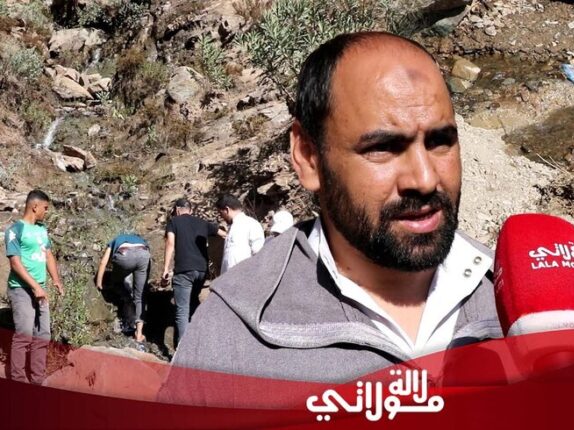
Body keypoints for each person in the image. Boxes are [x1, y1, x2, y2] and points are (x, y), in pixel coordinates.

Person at [161, 32, 500, 403]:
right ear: (309, 157)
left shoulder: (515, 299)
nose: (424, 179)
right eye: (383, 148)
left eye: (440, 141)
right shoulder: (231, 338)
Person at [4, 189, 64, 384]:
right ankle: (19, 381)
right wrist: (35, 287)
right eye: (45, 208)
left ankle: (37, 381)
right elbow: (15, 263)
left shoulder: (41, 229)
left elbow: (48, 255)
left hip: (41, 289)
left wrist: (56, 280)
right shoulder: (15, 230)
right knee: (24, 335)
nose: (46, 211)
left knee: (43, 335)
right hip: (20, 289)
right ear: (34, 206)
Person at [161, 198, 224, 347]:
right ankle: (200, 343)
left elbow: (170, 243)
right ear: (190, 210)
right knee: (194, 303)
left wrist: (165, 269)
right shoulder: (202, 223)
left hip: (184, 270)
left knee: (182, 311)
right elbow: (224, 234)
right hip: (202, 271)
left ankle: (183, 350)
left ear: (177, 210)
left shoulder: (174, 222)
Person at [95, 232, 151, 343]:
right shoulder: (141, 240)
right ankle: (139, 334)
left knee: (116, 281)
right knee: (139, 297)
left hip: (125, 255)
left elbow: (103, 263)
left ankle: (126, 298)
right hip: (143, 254)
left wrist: (99, 282)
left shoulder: (115, 240)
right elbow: (148, 261)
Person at [215, 194, 265, 274]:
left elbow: (258, 252)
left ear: (227, 209)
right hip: (228, 278)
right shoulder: (232, 227)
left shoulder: (251, 224)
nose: (221, 217)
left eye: (221, 213)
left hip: (244, 276)